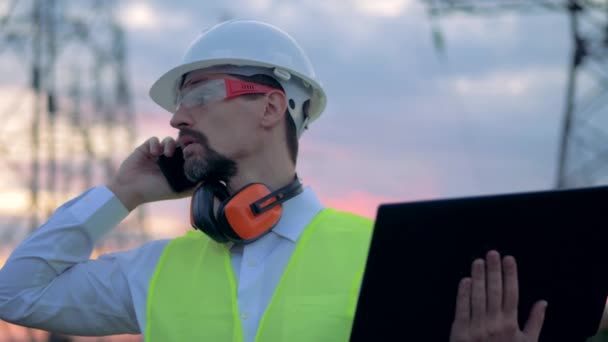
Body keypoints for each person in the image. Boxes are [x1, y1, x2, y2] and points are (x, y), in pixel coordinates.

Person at [0, 19, 547, 341]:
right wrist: (121, 197)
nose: (176, 118)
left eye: (198, 95)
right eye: (177, 102)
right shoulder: (154, 270)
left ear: (270, 107)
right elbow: (17, 295)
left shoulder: (387, 254)